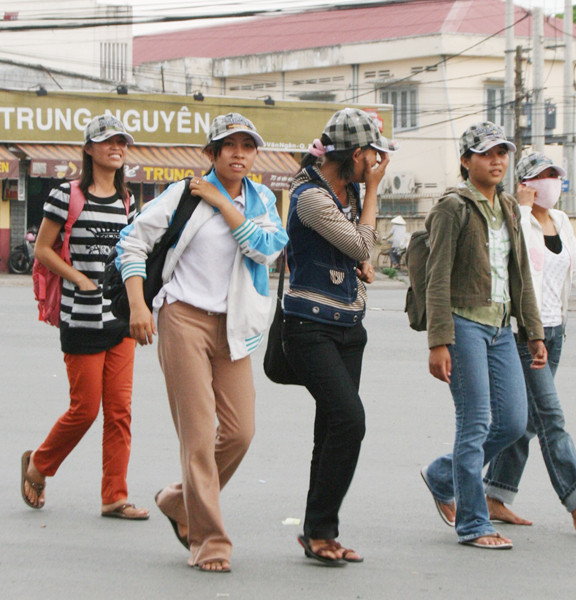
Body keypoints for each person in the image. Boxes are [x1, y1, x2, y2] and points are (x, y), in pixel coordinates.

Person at [117, 113, 288, 573]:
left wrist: (222, 202)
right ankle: (210, 541)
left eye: (247, 146)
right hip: (182, 319)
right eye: (227, 145)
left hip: (234, 326)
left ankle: (179, 500)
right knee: (197, 436)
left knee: (239, 432)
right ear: (210, 154)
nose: (238, 153)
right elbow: (131, 245)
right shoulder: (181, 195)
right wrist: (138, 307)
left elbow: (268, 249)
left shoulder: (262, 200)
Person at [484, 152, 576, 531]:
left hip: (556, 332)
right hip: (524, 334)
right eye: (543, 175)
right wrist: (519, 211)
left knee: (527, 423)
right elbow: (510, 259)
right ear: (525, 184)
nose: (551, 182)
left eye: (555, 175)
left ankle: (495, 495)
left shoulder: (562, 221)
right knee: (552, 418)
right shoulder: (512, 220)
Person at [420, 122, 547, 550]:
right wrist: (439, 340)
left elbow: (521, 274)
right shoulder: (452, 208)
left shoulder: (510, 207)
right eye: (487, 153)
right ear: (465, 160)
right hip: (463, 325)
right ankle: (473, 523)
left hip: (501, 326)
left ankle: (443, 474)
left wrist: (533, 332)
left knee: (512, 421)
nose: (497, 160)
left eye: (502, 153)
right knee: (474, 423)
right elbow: (436, 278)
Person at [21, 115, 149, 521]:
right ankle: (39, 465)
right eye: (108, 141)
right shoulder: (66, 194)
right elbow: (43, 249)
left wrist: (139, 305)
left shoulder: (129, 202)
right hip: (80, 317)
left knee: (120, 411)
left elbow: (133, 255)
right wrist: (78, 277)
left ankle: (114, 495)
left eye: (122, 142)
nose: (117, 147)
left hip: (119, 319)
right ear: (90, 149)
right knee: (85, 409)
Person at [283, 108, 394, 565]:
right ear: (355, 154)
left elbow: (359, 253)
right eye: (373, 156)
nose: (376, 164)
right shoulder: (310, 196)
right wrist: (372, 194)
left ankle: (319, 532)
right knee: (350, 421)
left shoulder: (342, 193)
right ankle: (320, 529)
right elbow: (363, 244)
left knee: (330, 429)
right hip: (310, 327)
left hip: (349, 326)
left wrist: (360, 261)